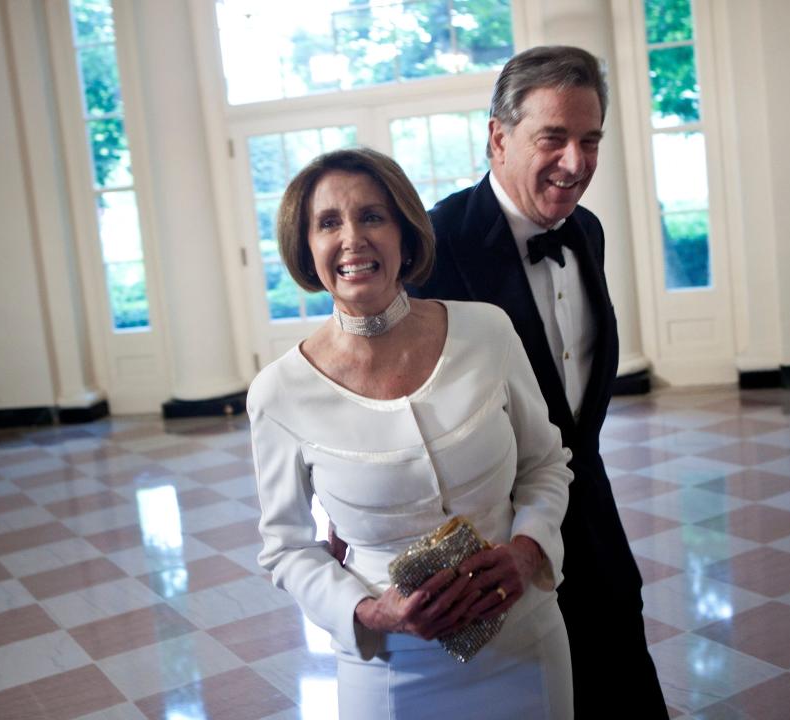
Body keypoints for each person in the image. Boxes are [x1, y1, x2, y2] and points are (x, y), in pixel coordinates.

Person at [249, 147, 575, 719]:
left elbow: (546, 463)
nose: (353, 239)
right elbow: (287, 549)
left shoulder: (487, 330)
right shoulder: (279, 393)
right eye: (328, 223)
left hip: (525, 641)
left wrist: (528, 551)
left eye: (372, 216)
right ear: (306, 248)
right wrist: (372, 615)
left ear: (405, 232)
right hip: (393, 669)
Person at [409, 46, 669, 717]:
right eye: (553, 138)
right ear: (498, 137)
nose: (576, 163)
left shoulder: (588, 233)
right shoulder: (436, 247)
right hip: (493, 549)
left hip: (592, 520)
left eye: (590, 140)